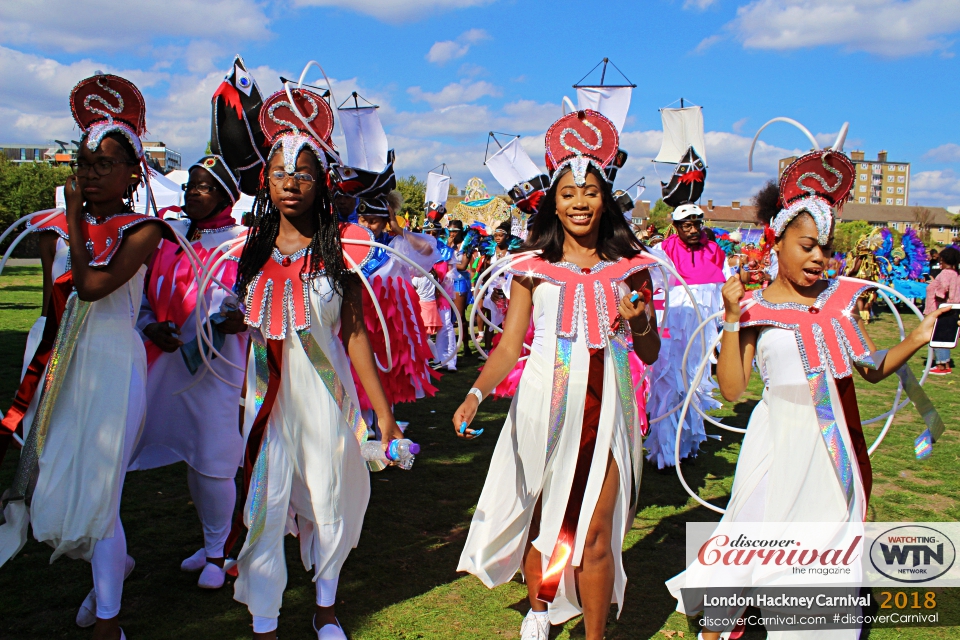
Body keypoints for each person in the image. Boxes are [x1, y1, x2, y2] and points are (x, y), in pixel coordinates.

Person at [665, 146, 950, 640]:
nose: (819, 257)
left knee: (822, 550)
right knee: (745, 539)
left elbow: (872, 369)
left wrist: (918, 337)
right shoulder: (752, 308)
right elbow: (732, 390)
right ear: (776, 242)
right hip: (775, 443)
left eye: (826, 247)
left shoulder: (840, 305)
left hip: (831, 448)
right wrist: (732, 320)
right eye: (807, 245)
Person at [455, 110, 660, 640]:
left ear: (605, 197)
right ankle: (540, 607)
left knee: (596, 528)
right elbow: (507, 346)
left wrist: (638, 324)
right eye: (568, 192)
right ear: (554, 201)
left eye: (590, 191)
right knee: (543, 514)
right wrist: (476, 394)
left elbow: (652, 351)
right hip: (542, 402)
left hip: (609, 407)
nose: (580, 202)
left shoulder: (632, 266)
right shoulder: (529, 266)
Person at [230, 88, 404, 640]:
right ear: (267, 181)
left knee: (331, 497)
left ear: (321, 181)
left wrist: (385, 415)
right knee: (264, 504)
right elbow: (242, 324)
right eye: (280, 173)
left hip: (327, 400)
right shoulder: (247, 257)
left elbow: (354, 339)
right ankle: (263, 617)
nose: (290, 183)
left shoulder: (339, 257)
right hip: (265, 404)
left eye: (303, 173)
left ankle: (325, 606)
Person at [0, 74, 168, 640]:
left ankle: (110, 621)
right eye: (85, 162)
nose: (91, 173)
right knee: (64, 478)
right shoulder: (49, 232)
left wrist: (72, 219)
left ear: (131, 172)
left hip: (111, 360)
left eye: (105, 163)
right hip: (60, 360)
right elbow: (55, 304)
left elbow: (93, 286)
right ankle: (112, 572)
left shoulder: (145, 229)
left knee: (104, 491)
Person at [127, 155, 248, 591]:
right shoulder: (165, 237)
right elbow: (141, 297)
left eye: (205, 186)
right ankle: (210, 541)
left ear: (226, 196)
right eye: (191, 185)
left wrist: (244, 319)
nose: (193, 192)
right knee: (189, 457)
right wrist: (149, 325)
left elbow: (262, 301)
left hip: (219, 368)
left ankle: (218, 552)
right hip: (165, 364)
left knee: (213, 457)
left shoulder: (245, 242)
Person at [645, 203, 728, 469]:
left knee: (694, 381)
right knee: (669, 383)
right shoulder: (664, 250)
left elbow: (722, 288)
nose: (693, 230)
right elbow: (654, 284)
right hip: (671, 328)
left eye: (697, 224)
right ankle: (665, 452)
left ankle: (689, 444)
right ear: (677, 227)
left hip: (700, 331)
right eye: (686, 225)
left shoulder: (713, 250)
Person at [925, 246, 960, 374]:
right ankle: (945, 363)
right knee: (945, 336)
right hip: (951, 309)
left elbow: (942, 292)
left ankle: (940, 365)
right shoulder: (956, 274)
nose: (940, 262)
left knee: (937, 336)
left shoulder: (945, 273)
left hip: (939, 309)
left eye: (941, 260)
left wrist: (934, 288)